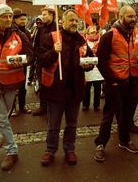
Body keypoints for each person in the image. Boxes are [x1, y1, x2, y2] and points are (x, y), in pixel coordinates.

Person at [39, 9, 94, 166]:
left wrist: (89, 65)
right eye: (71, 20)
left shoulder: (82, 40)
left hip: (75, 90)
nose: (74, 23)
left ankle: (69, 149)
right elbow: (42, 60)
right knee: (53, 124)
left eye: (76, 20)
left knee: (72, 123)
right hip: (55, 89)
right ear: (62, 21)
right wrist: (54, 52)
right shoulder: (51, 37)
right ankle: (50, 150)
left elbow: (89, 59)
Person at [0, 4, 33, 171]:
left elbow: (30, 54)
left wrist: (21, 60)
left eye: (9, 16)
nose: (7, 19)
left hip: (12, 82)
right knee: (2, 119)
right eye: (4, 16)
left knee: (3, 117)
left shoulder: (19, 34)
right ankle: (12, 150)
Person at [93, 5, 138, 162]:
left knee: (128, 112)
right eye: (129, 16)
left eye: (134, 16)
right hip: (115, 81)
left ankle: (125, 140)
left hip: (132, 79)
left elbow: (136, 54)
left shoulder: (137, 33)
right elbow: (101, 60)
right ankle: (100, 144)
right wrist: (111, 81)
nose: (133, 19)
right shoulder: (110, 35)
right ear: (121, 18)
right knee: (109, 114)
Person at [32, 5, 56, 116]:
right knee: (42, 84)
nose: (42, 16)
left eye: (45, 14)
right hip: (41, 61)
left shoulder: (57, 29)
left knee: (51, 84)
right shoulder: (41, 28)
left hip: (52, 61)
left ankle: (52, 107)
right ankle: (43, 106)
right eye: (42, 14)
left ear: (51, 15)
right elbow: (36, 44)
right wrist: (37, 56)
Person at [12, 8, 32, 114]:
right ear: (14, 20)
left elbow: (29, 47)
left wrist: (28, 60)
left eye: (25, 19)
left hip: (23, 63)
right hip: (12, 63)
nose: (23, 21)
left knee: (22, 87)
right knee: (13, 87)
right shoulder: (11, 32)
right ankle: (13, 107)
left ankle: (22, 106)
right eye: (21, 19)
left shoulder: (27, 32)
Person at [82, 25, 104, 111]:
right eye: (91, 28)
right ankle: (85, 104)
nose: (93, 30)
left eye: (94, 28)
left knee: (97, 86)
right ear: (87, 31)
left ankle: (96, 104)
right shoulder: (85, 41)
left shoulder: (100, 39)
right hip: (88, 65)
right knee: (87, 87)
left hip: (97, 67)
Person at [27, 15, 44, 85]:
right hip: (33, 49)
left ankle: (39, 81)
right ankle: (30, 79)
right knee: (32, 64)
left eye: (40, 20)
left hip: (40, 50)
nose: (38, 22)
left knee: (39, 66)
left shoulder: (43, 29)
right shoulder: (34, 28)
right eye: (37, 20)